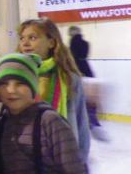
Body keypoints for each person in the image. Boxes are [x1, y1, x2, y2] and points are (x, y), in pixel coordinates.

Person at [18, 18, 90, 159]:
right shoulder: (15, 77)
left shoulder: (69, 78)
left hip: (62, 155)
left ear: (51, 42)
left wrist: (81, 159)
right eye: (22, 38)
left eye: (32, 38)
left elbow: (81, 120)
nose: (25, 43)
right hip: (25, 157)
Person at [68, 25, 106, 140]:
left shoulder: (72, 44)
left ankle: (85, 122)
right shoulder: (86, 44)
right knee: (91, 101)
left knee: (79, 100)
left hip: (77, 73)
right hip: (88, 72)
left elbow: (73, 58)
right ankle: (94, 121)